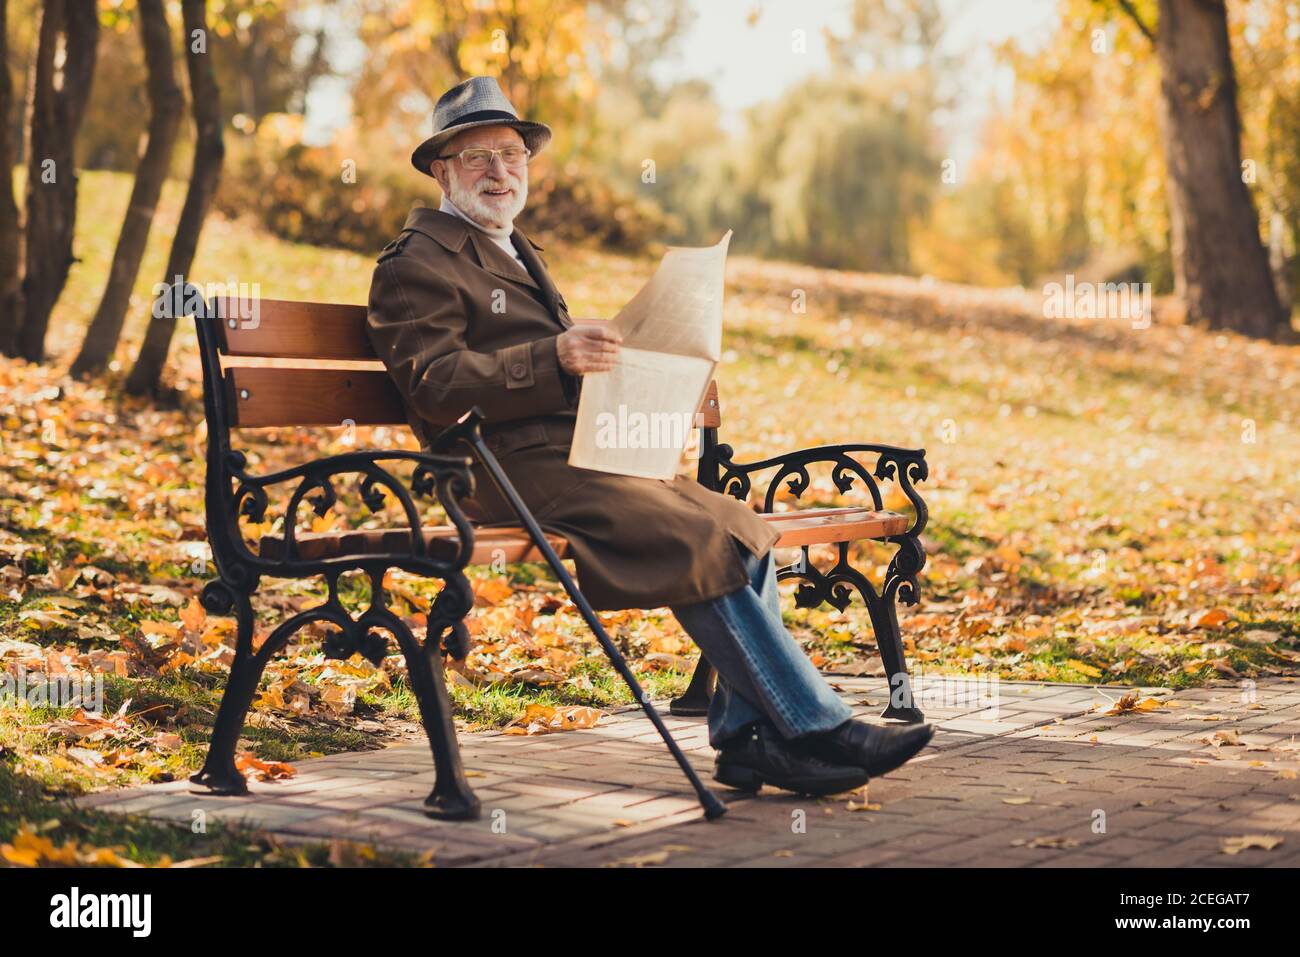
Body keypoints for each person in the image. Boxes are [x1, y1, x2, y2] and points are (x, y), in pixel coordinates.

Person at [367, 76, 933, 796]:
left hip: (573, 454)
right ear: (442, 170)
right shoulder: (417, 261)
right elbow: (435, 385)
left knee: (741, 527)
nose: (499, 171)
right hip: (494, 469)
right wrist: (553, 357)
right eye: (477, 157)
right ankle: (813, 724)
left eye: (511, 155)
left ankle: (745, 740)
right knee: (692, 537)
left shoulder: (512, 249)